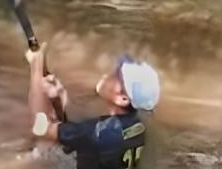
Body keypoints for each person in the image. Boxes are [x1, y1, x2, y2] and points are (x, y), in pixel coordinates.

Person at [26, 45, 160, 169]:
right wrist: (59, 100)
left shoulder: (99, 132)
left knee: (38, 150)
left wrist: (36, 68)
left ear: (123, 98)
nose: (107, 75)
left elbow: (40, 129)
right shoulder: (137, 125)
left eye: (116, 76)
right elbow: (78, 136)